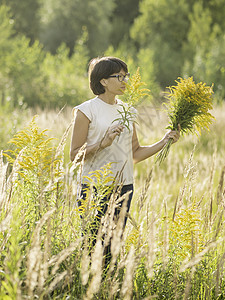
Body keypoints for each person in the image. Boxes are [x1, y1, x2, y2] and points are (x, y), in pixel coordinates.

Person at [70, 56, 180, 267]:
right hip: (94, 186)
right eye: (119, 76)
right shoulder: (86, 110)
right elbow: (74, 155)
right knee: (92, 247)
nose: (124, 81)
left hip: (124, 187)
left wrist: (164, 141)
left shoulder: (128, 111)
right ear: (103, 81)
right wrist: (103, 142)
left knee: (113, 249)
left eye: (125, 76)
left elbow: (135, 153)